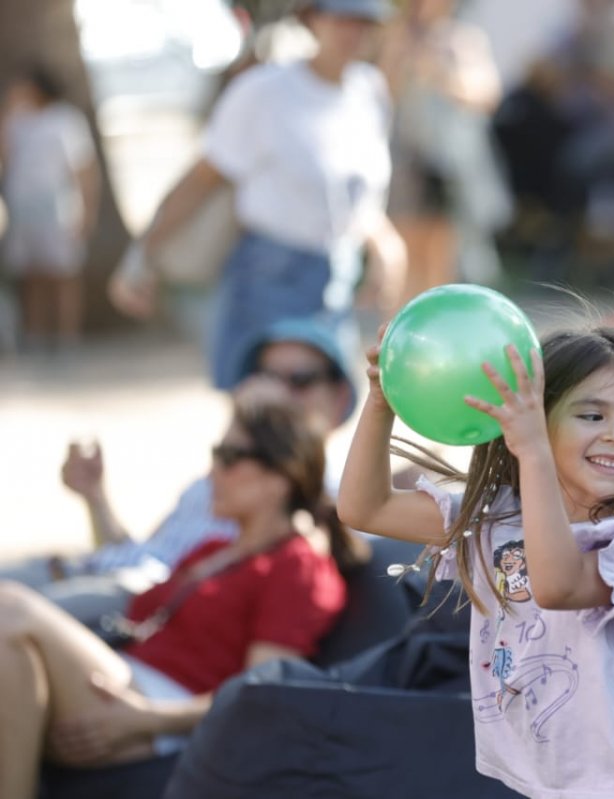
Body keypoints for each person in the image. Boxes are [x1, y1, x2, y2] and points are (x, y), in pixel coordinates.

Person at [338, 323, 614, 797]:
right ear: (535, 418)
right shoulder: (496, 516)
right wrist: (381, 403)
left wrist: (534, 453)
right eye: (592, 415)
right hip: (544, 779)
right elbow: (365, 508)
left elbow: (557, 586)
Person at [0, 387, 361, 799]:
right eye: (216, 453)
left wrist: (149, 719)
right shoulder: (215, 550)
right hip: (125, 682)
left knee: (10, 607)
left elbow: (260, 691)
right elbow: (131, 567)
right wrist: (95, 499)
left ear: (279, 478)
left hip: (160, 714)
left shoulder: (296, 566)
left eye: (230, 457)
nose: (213, 471)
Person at [109, 0, 404, 391]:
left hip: (337, 274)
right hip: (270, 272)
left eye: (363, 23)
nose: (354, 33)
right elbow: (202, 179)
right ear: (313, 19)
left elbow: (355, 194)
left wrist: (383, 243)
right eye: (342, 20)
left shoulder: (370, 91)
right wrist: (144, 251)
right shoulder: (265, 90)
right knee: (267, 404)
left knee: (326, 402)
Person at [0, 315, 357, 632]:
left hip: (139, 603)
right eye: (265, 375)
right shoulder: (222, 475)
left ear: (339, 397)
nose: (276, 392)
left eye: (300, 380)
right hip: (91, 575)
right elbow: (143, 552)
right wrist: (96, 499)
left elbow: (170, 579)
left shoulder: (322, 499)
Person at [377, 0, 507, 298]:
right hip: (407, 160)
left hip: (450, 163)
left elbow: (486, 95)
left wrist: (441, 73)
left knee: (443, 252)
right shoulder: (398, 37)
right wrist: (402, 58)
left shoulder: (464, 39)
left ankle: (437, 313)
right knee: (405, 250)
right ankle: (404, 318)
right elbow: (383, 94)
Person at [0, 63, 99, 353]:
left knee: (63, 274)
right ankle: (36, 336)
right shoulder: (16, 121)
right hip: (22, 207)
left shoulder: (65, 120)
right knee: (31, 275)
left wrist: (87, 213)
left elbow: (84, 168)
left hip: (58, 206)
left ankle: (67, 338)